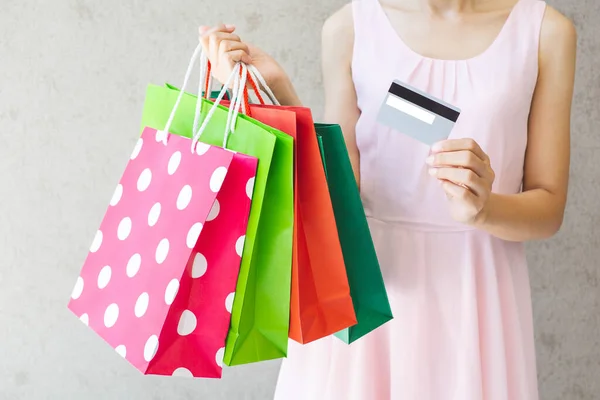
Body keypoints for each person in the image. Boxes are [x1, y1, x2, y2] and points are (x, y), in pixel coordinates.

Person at [198, 0, 576, 397]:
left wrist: (485, 210)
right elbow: (338, 195)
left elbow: (549, 207)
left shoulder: (544, 32)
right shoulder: (350, 27)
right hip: (367, 290)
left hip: (475, 294)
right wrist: (277, 92)